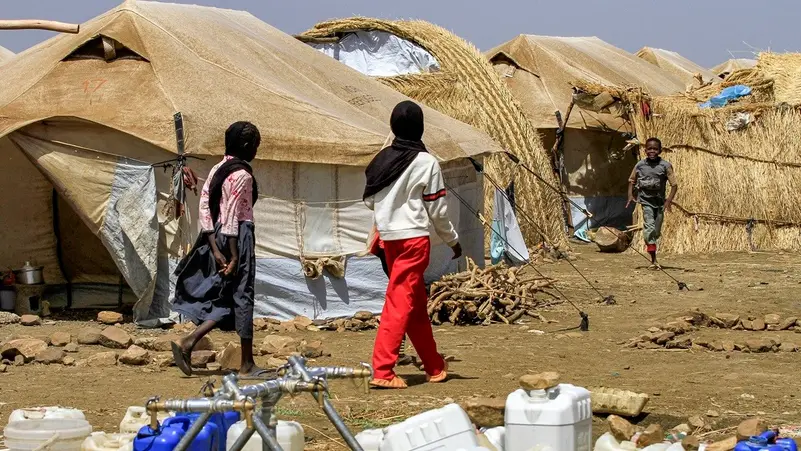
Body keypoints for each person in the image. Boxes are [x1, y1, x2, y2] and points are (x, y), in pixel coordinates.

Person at [363, 100, 462, 389]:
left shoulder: (381, 160)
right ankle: (383, 370)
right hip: (414, 242)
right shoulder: (426, 162)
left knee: (414, 304)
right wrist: (453, 241)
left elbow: (370, 201)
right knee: (399, 301)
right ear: (420, 128)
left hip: (388, 241)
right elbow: (438, 211)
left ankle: (434, 366)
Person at [171, 121, 263, 376]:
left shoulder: (218, 168)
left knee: (226, 297)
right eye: (255, 146)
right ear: (247, 145)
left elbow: (204, 207)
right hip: (238, 237)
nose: (256, 151)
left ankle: (189, 342)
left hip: (217, 236)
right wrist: (234, 255)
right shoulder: (242, 174)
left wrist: (215, 248)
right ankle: (247, 364)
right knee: (243, 295)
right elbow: (233, 214)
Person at [626, 137, 678, 269]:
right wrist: (630, 195)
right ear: (645, 150)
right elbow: (631, 180)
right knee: (649, 228)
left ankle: (653, 249)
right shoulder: (640, 165)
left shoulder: (665, 166)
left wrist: (668, 201)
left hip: (659, 203)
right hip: (646, 201)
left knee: (656, 230)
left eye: (655, 149)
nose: (652, 151)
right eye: (649, 149)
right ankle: (653, 260)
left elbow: (674, 185)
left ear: (660, 150)